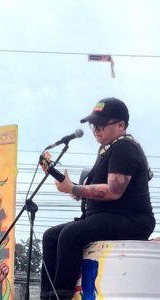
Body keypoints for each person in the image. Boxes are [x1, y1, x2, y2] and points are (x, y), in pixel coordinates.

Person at [40, 98, 155, 300]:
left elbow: (113, 191)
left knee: (70, 234)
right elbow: (97, 189)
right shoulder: (108, 148)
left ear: (121, 125)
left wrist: (74, 188)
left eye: (101, 124)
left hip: (132, 220)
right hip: (106, 216)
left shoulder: (124, 147)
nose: (96, 129)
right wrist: (73, 188)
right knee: (51, 236)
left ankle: (61, 296)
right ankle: (48, 296)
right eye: (94, 125)